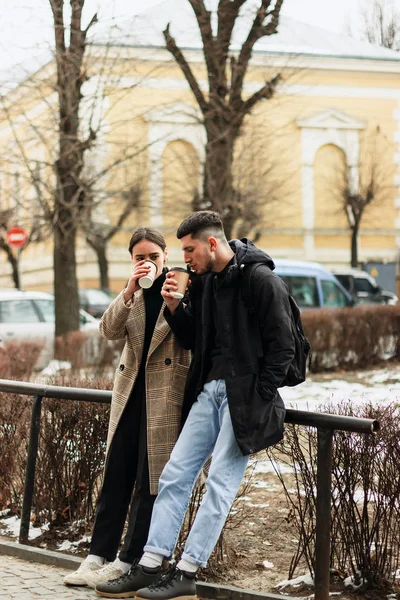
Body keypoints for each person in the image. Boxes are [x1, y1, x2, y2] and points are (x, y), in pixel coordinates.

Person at [100, 210, 295, 600]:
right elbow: (193, 341)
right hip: (209, 392)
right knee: (174, 475)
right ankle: (150, 564)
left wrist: (259, 394)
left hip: (246, 397)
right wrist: (175, 307)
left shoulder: (261, 280)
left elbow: (284, 347)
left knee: (220, 484)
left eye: (189, 250)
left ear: (211, 243)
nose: (184, 258)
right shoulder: (205, 284)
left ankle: (187, 573)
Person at [63, 227, 190, 591]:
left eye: (153, 256)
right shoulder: (132, 294)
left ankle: (127, 560)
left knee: (149, 483)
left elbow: (191, 335)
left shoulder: (181, 286)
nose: (147, 262)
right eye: (139, 257)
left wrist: (175, 301)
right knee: (116, 475)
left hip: (164, 397)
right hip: (130, 395)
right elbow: (107, 330)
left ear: (166, 255)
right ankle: (96, 557)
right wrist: (129, 291)